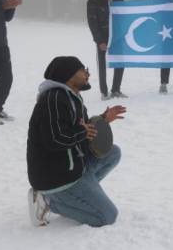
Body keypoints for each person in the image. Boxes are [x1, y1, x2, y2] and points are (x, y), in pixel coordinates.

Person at [26, 56, 126, 227]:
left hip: (73, 165)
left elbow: (81, 130)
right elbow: (55, 139)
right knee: (107, 216)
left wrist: (102, 120)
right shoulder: (54, 99)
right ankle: (49, 200)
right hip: (57, 177)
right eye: (82, 70)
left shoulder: (72, 97)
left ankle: (81, 194)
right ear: (68, 74)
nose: (88, 73)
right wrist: (82, 132)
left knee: (112, 152)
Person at [87, 0, 127, 100]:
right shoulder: (92, 0)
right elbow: (93, 23)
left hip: (117, 36)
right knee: (103, 64)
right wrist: (99, 41)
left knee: (120, 62)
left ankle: (116, 89)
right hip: (102, 37)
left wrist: (113, 2)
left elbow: (125, 13)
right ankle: (104, 92)